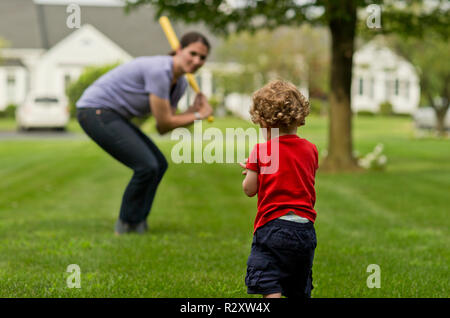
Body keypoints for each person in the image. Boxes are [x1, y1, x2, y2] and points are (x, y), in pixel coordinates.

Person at [76, 32, 213, 235]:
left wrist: (192, 111)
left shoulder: (180, 84)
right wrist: (198, 115)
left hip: (115, 116)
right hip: (95, 111)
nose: (196, 61)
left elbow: (164, 127)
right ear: (178, 50)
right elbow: (165, 121)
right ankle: (125, 224)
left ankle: (138, 223)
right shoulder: (160, 70)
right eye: (192, 53)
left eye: (202, 58)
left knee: (159, 165)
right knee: (146, 165)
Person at [239, 79, 319, 298]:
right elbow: (295, 175)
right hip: (305, 229)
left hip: (272, 226)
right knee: (297, 282)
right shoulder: (311, 150)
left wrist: (251, 170)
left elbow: (249, 190)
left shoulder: (261, 150)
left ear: (264, 122)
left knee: (268, 277)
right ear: (299, 118)